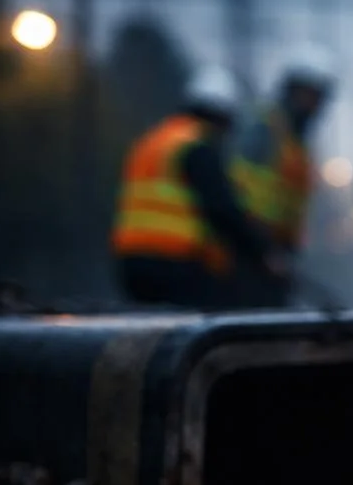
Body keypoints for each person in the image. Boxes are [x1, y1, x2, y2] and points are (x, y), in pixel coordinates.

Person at [111, 65, 282, 310]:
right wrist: (262, 252)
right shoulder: (197, 147)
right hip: (174, 261)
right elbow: (221, 208)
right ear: (221, 116)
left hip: (131, 259)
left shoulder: (154, 140)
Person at [230, 44, 336, 308]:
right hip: (250, 249)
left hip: (277, 249)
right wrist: (261, 247)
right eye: (312, 95)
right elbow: (240, 190)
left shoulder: (297, 141)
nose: (317, 105)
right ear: (294, 90)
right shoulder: (265, 129)